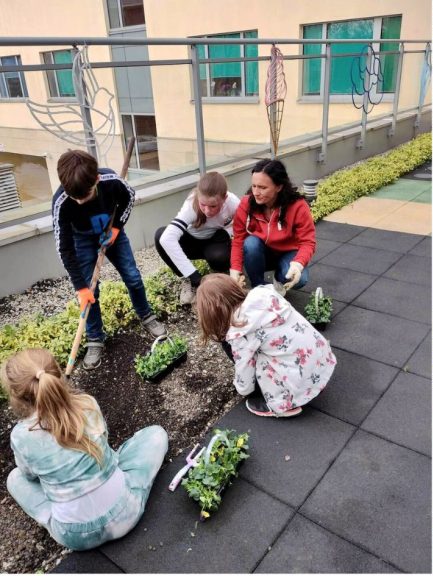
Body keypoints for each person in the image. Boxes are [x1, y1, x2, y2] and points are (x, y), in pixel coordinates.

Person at [3, 348, 168, 551]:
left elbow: (29, 476)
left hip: (76, 537)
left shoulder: (21, 437)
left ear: (17, 396)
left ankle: (56, 513)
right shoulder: (87, 404)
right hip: (126, 513)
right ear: (58, 375)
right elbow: (104, 442)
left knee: (14, 479)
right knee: (156, 435)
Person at [52, 150, 167, 370]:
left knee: (133, 277)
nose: (79, 201)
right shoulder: (62, 202)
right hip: (82, 240)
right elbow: (64, 249)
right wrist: (80, 288)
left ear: (95, 180)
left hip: (110, 232)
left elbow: (129, 198)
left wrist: (116, 229)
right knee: (90, 293)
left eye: (84, 196)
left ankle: (146, 315)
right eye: (75, 198)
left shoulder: (110, 181)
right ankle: (95, 338)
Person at [195, 273, 335, 418]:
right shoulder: (264, 294)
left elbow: (245, 377)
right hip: (321, 358)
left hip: (298, 381)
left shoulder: (239, 332)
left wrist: (241, 387)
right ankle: (312, 382)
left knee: (235, 349)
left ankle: (281, 405)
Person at [230, 159, 315, 295]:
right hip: (262, 252)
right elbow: (238, 239)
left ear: (279, 187)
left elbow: (308, 242)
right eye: (254, 186)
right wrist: (234, 270)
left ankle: (279, 279)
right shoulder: (247, 203)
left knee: (300, 280)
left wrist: (297, 265)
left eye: (263, 187)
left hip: (288, 252)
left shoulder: (298, 206)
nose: (256, 192)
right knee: (250, 243)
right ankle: (259, 288)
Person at [155, 171, 241, 305]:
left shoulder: (233, 203)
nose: (207, 211)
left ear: (224, 198)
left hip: (213, 241)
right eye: (203, 205)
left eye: (213, 206)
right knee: (160, 234)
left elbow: (244, 227)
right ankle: (186, 278)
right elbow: (167, 238)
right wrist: (194, 276)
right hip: (191, 241)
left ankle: (219, 278)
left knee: (220, 256)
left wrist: (228, 233)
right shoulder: (191, 205)